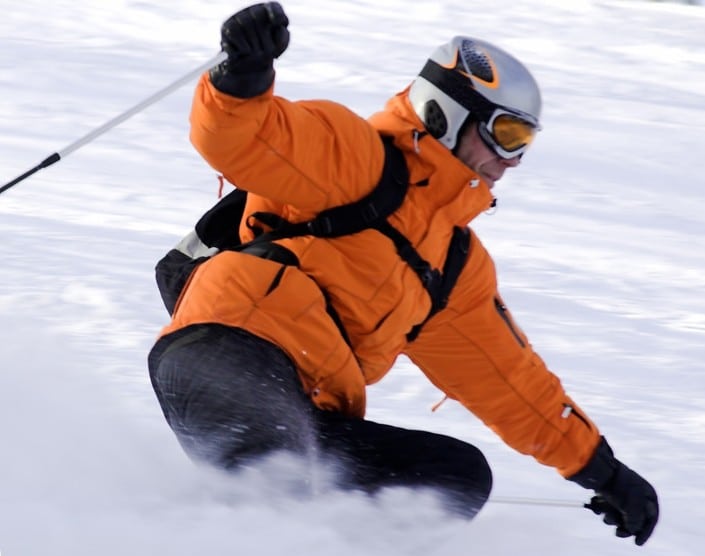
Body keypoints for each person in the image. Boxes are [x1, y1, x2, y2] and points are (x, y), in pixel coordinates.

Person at [148, 2, 659, 544]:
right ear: (446, 112)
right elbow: (245, 139)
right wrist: (243, 77)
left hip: (303, 408)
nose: (513, 160)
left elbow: (511, 383)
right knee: (277, 511)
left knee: (450, 480)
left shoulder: (452, 265)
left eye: (524, 144)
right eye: (507, 134)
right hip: (228, 352)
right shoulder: (355, 158)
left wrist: (603, 471)